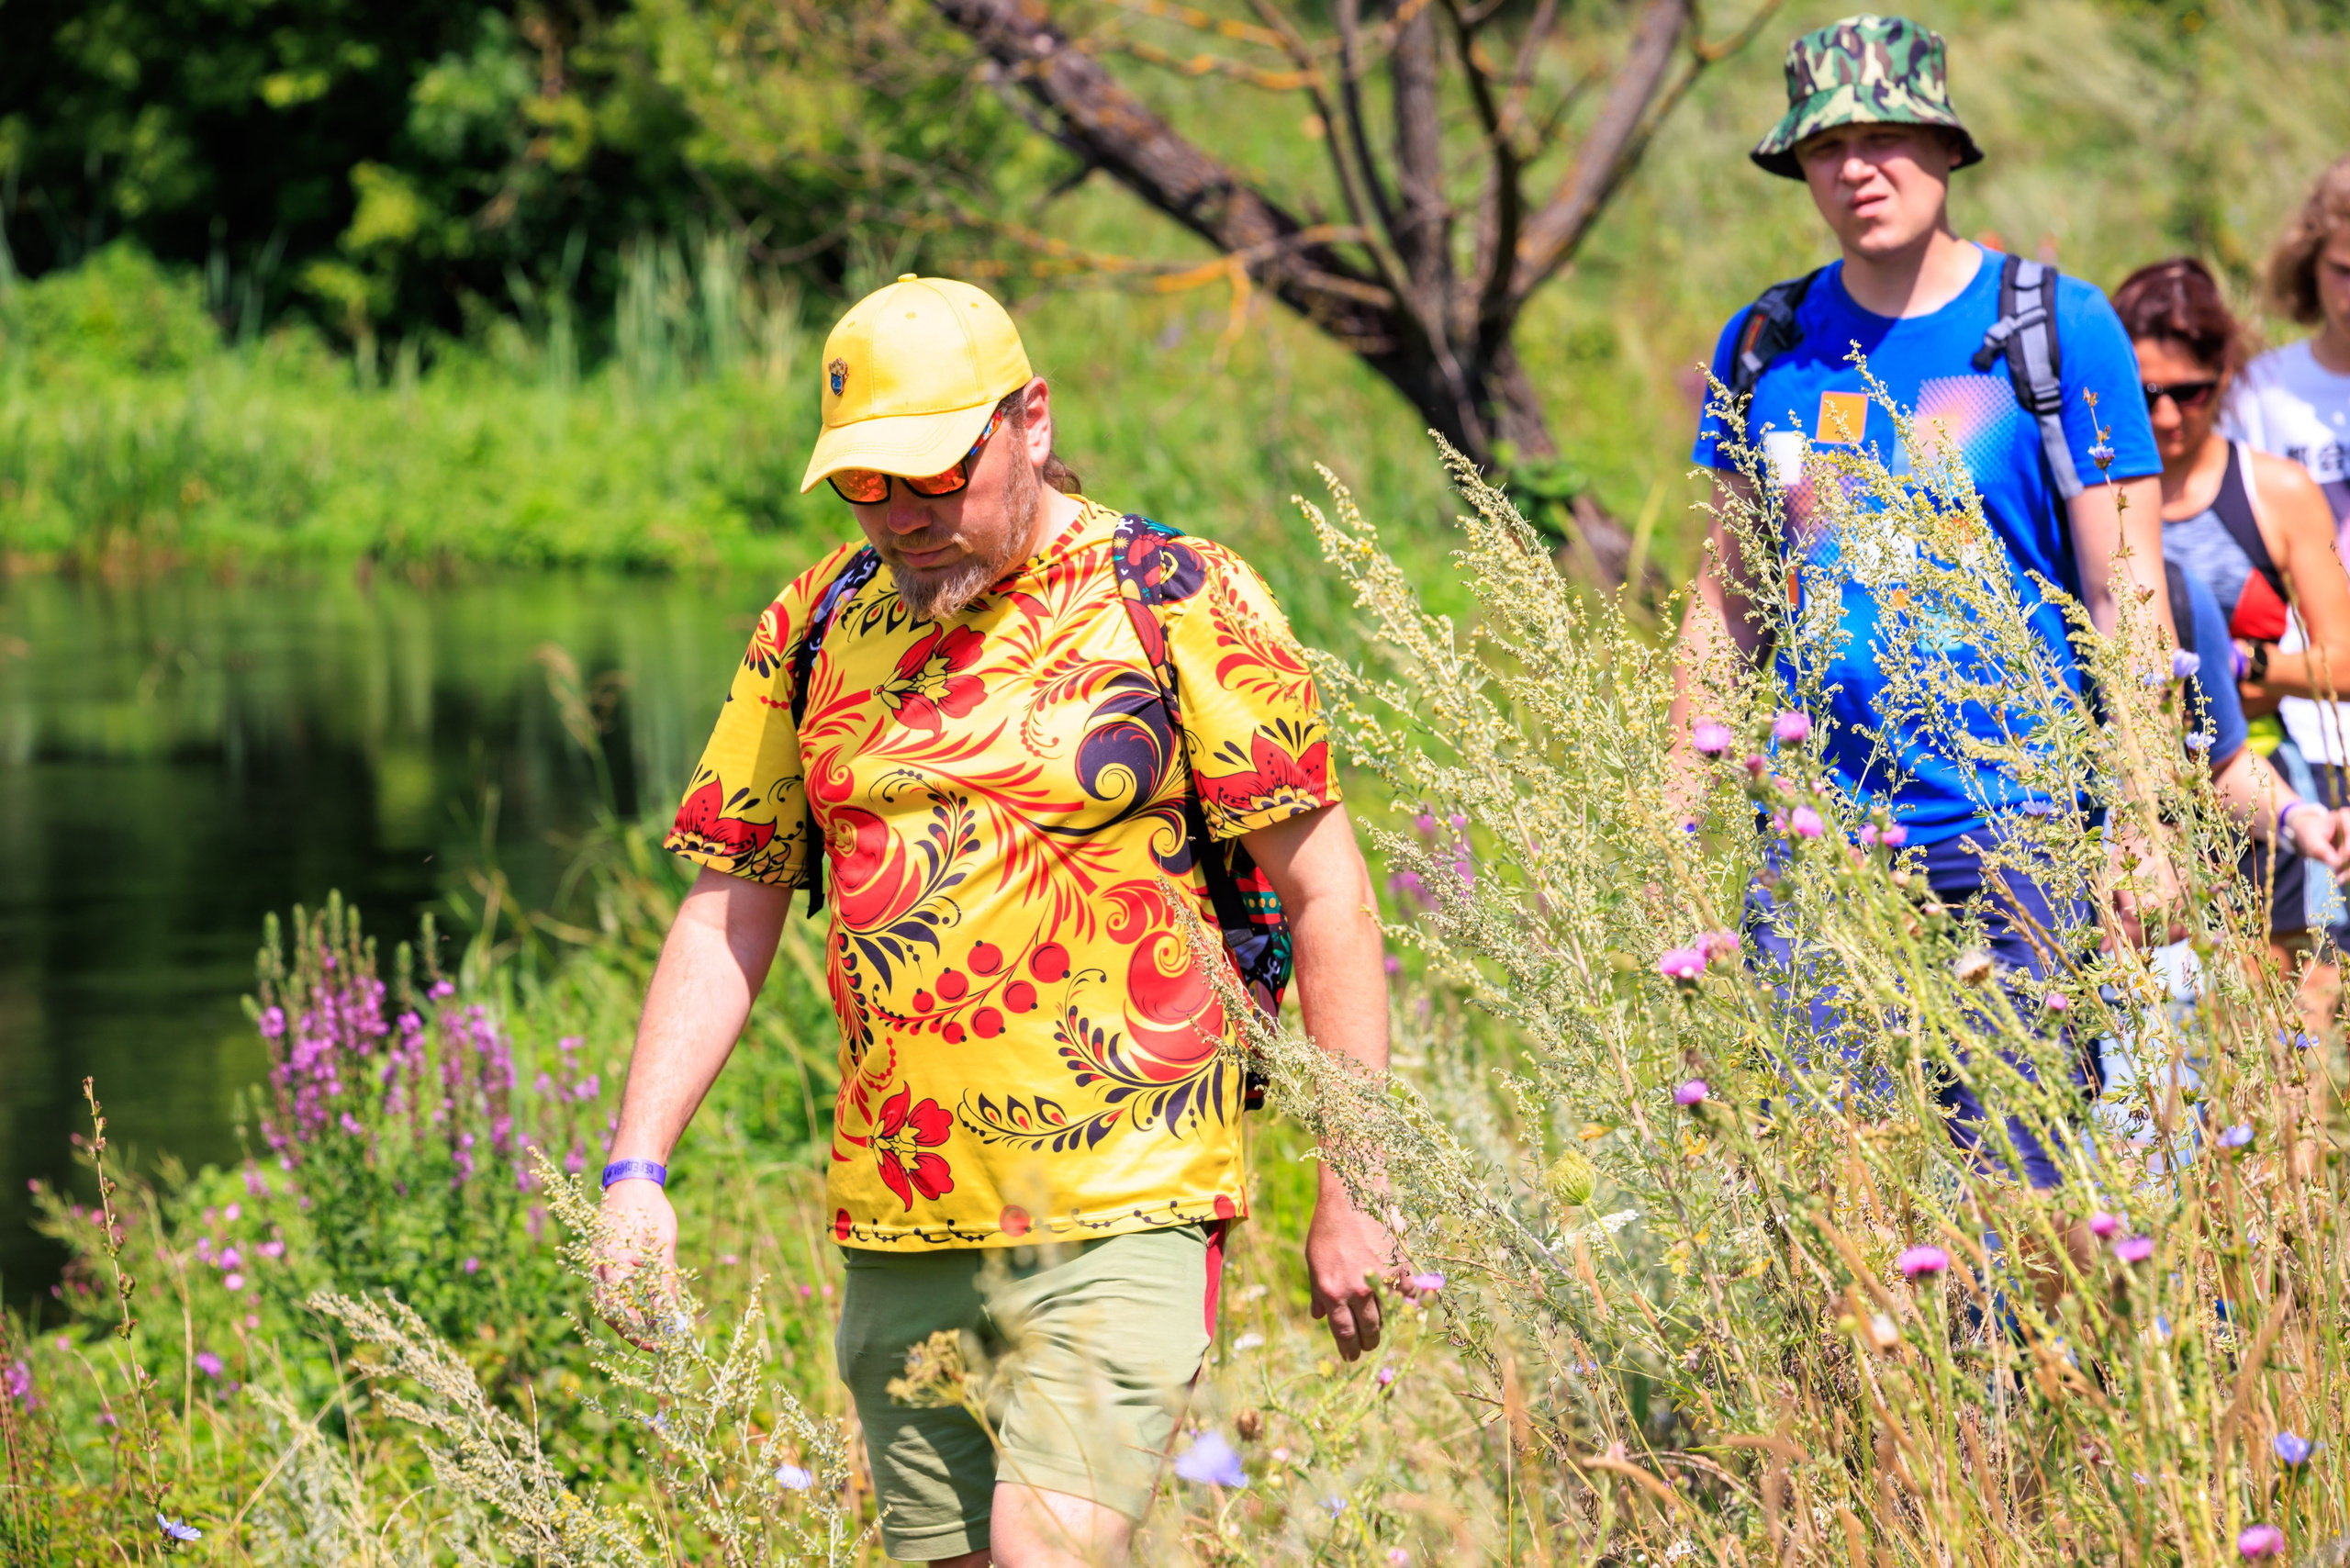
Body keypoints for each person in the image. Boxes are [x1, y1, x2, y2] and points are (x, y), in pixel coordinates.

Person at [595, 274, 1401, 1567]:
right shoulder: (810, 627)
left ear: (1029, 420)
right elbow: (725, 912)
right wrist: (636, 1173)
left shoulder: (1175, 593)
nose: (906, 519)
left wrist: (1357, 1187)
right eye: (869, 486)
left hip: (1127, 1196)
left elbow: (1330, 897)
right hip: (905, 1224)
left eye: (936, 477)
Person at [1670, 15, 2172, 1256]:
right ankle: (1882, 1448)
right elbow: (1725, 607)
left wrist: (2147, 823)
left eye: (1889, 137)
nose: (1860, 168)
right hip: (1826, 849)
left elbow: (2132, 600)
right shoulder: (1768, 346)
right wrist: (1675, 816)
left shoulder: (2055, 328)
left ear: (1945, 152)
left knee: (2020, 1209)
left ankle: (2015, 1446)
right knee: (1842, 1214)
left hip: (2022, 837)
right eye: (1831, 145)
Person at [2115, 256, 2350, 1024]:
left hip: (2261, 777)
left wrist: (2240, 664)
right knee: (2155, 1058)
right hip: (2133, 795)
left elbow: (2342, 660)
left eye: (2189, 392)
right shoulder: (2089, 495)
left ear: (2225, 377)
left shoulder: (2273, 490)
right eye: (2142, 393)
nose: (2166, 416)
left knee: (2282, 1043)